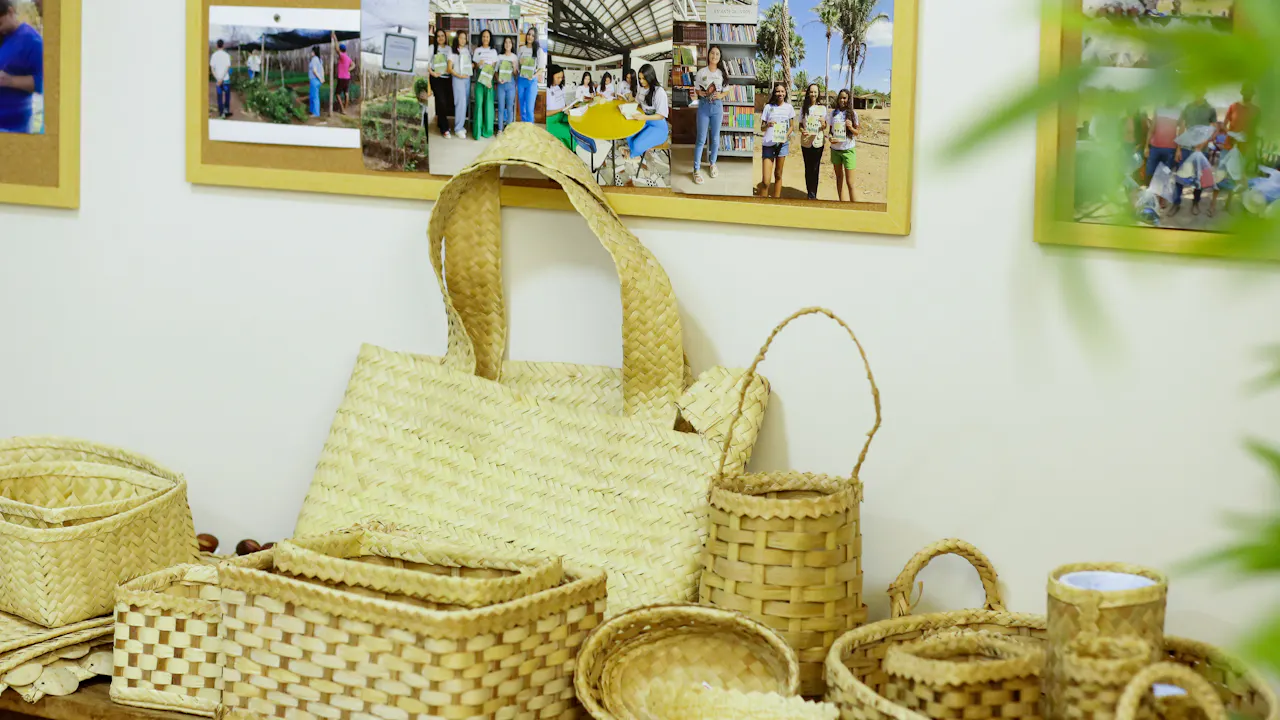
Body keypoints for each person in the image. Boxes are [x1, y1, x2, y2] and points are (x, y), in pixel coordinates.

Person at [621, 64, 669, 187]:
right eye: (640, 78)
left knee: (637, 143)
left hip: (658, 126)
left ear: (650, 77)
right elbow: (637, 102)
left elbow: (661, 115)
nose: (641, 81)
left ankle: (634, 155)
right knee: (629, 132)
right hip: (645, 121)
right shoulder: (641, 89)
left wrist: (643, 117)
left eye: (643, 78)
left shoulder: (659, 92)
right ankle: (634, 150)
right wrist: (625, 107)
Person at [0, 0, 42, 133]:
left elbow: (44, 83)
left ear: (10, 12)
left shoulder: (33, 41)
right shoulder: (3, 35)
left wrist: (9, 80)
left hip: (13, 126)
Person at [691, 45, 728, 185]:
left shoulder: (722, 73)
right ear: (708, 55)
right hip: (704, 107)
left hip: (717, 107)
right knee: (701, 139)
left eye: (717, 54)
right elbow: (696, 89)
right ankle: (696, 169)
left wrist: (720, 95)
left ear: (720, 57)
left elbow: (727, 90)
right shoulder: (701, 72)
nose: (714, 56)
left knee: (715, 138)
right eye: (712, 53)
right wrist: (700, 92)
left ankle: (713, 164)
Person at [1174, 93, 1217, 215]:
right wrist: (1178, 148)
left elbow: (1213, 129)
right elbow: (1182, 127)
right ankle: (1176, 203)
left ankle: (1195, 202)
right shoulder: (1188, 107)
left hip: (1201, 150)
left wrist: (1202, 145)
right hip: (1186, 148)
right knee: (1180, 176)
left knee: (1199, 178)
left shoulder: (1210, 109)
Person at [759, 81, 793, 198]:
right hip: (768, 144)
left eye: (782, 91)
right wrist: (768, 125)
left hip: (782, 144)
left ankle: (776, 200)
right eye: (778, 91)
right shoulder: (768, 107)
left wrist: (785, 136)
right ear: (774, 93)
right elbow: (762, 127)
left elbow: (791, 126)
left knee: (778, 174)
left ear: (785, 93)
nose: (780, 93)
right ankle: (762, 203)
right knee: (765, 181)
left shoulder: (789, 108)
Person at [827, 89, 860, 202]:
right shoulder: (833, 113)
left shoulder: (853, 114)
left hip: (848, 150)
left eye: (844, 98)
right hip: (835, 150)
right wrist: (830, 138)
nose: (842, 100)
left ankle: (854, 207)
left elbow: (857, 132)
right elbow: (830, 131)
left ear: (848, 99)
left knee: (850, 183)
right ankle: (842, 204)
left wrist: (850, 127)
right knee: (839, 178)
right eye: (840, 98)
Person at [1145, 105, 1179, 208]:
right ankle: (1151, 198)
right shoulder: (1158, 109)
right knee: (1150, 173)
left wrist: (1178, 149)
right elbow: (1152, 128)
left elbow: (1180, 131)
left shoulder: (1178, 111)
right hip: (1155, 147)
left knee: (1165, 174)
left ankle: (1162, 199)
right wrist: (1146, 146)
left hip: (1170, 149)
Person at [799, 83, 827, 200]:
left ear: (818, 93)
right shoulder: (803, 108)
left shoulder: (822, 108)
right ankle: (809, 192)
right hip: (806, 142)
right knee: (808, 168)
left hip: (818, 142)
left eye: (815, 92)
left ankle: (813, 195)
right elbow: (800, 125)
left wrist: (823, 123)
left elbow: (825, 126)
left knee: (815, 169)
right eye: (811, 92)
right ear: (808, 93)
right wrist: (803, 131)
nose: (813, 94)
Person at [472, 29, 497, 139]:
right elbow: (475, 67)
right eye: (483, 36)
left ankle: (487, 131)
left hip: (489, 80)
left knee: (488, 105)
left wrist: (489, 80)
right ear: (481, 38)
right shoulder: (477, 50)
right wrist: (478, 64)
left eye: (487, 36)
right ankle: (477, 132)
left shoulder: (493, 51)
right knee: (478, 104)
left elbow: (494, 68)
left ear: (490, 38)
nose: (485, 38)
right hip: (479, 79)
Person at [516, 25, 545, 123]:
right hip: (521, 80)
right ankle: (524, 128)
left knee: (529, 108)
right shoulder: (521, 49)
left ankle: (530, 128)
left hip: (531, 81)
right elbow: (517, 67)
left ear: (535, 37)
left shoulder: (539, 51)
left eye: (533, 35)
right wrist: (520, 62)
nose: (530, 37)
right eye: (528, 34)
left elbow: (541, 69)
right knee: (522, 108)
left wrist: (533, 76)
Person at [429, 29, 454, 137]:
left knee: (444, 102)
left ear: (445, 37)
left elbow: (451, 62)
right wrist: (433, 73)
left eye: (442, 35)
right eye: (438, 36)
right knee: (441, 101)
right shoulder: (432, 48)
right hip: (436, 78)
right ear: (436, 38)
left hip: (447, 78)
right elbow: (427, 63)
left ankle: (440, 121)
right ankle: (445, 129)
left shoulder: (449, 49)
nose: (440, 38)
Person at [448, 30, 472, 139]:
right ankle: (458, 128)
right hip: (458, 79)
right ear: (457, 38)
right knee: (460, 103)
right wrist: (459, 76)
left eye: (464, 38)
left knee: (465, 103)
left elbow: (469, 65)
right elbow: (449, 68)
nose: (463, 40)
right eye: (461, 38)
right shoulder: (452, 51)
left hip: (467, 79)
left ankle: (461, 126)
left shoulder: (467, 50)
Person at [544, 65, 574, 151]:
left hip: (561, 115)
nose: (560, 80)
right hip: (550, 121)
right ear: (551, 76)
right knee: (570, 133)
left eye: (562, 77)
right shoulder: (547, 90)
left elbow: (562, 103)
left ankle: (569, 147)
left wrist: (568, 107)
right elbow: (545, 113)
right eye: (558, 77)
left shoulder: (559, 87)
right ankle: (571, 151)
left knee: (575, 125)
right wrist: (560, 109)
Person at [495, 36, 518, 133]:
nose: (508, 44)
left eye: (510, 42)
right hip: (501, 85)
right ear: (503, 44)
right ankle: (500, 129)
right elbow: (495, 71)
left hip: (511, 85)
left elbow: (516, 74)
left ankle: (508, 130)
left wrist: (514, 67)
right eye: (506, 42)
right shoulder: (499, 57)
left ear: (512, 45)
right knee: (500, 107)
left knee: (509, 108)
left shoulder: (515, 57)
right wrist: (498, 79)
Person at [208, 39, 233, 120]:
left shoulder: (214, 55)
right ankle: (226, 110)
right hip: (226, 80)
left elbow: (212, 69)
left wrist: (218, 79)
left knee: (219, 96)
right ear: (223, 45)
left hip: (218, 81)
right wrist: (222, 78)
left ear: (216, 46)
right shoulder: (226, 55)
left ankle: (221, 113)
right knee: (227, 96)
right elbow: (227, 67)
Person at [335, 43, 355, 113]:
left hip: (342, 78)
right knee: (346, 93)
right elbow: (353, 65)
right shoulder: (348, 58)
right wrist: (348, 70)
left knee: (337, 94)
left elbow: (336, 49)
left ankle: (343, 110)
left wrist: (335, 39)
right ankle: (345, 109)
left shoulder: (342, 56)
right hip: (347, 78)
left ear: (341, 50)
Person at [308, 46, 324, 118]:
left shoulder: (314, 59)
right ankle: (312, 111)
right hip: (316, 80)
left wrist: (320, 79)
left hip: (315, 80)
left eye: (312, 51)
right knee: (312, 96)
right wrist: (322, 78)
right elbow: (322, 69)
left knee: (314, 97)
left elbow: (314, 71)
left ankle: (316, 113)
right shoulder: (319, 59)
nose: (311, 53)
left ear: (314, 52)